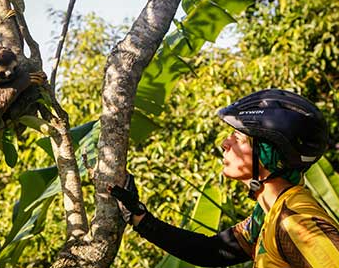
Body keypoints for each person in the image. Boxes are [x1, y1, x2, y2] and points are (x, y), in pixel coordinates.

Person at [110, 89, 339, 268]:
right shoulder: (268, 214)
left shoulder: (296, 222)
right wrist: (140, 217)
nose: (224, 144)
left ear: (269, 152)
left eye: (238, 138)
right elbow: (213, 250)